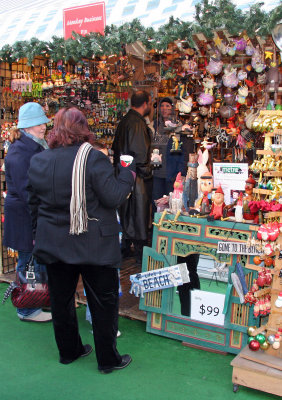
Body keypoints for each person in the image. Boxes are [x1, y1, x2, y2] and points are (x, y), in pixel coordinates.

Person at [27, 107, 135, 373]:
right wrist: (126, 173)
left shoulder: (40, 160)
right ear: (84, 128)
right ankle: (107, 360)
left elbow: (34, 205)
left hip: (54, 242)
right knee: (103, 302)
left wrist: (39, 234)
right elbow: (113, 197)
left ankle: (69, 351)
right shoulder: (93, 159)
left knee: (61, 301)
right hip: (93, 242)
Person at [3, 102, 52, 323]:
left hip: (29, 215)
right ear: (27, 127)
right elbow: (27, 193)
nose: (43, 126)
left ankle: (34, 302)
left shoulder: (30, 146)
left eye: (43, 122)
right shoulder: (22, 152)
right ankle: (27, 308)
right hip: (26, 216)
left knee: (32, 261)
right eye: (39, 123)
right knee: (28, 262)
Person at [112, 90, 153, 264]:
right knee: (137, 215)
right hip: (135, 176)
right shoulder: (136, 123)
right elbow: (140, 154)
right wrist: (148, 169)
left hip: (123, 173)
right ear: (145, 103)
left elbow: (116, 148)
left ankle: (126, 248)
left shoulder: (125, 121)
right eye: (150, 102)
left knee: (128, 213)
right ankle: (139, 254)